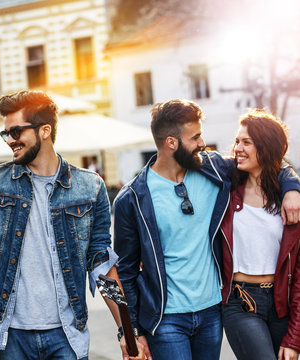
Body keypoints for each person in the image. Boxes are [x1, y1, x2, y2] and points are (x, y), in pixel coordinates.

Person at [113, 99, 300, 360]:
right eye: (195, 137)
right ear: (171, 143)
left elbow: (266, 161)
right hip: (166, 319)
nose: (203, 143)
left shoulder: (213, 169)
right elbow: (126, 271)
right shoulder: (132, 198)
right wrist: (131, 330)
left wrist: (292, 186)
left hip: (211, 312)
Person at [0, 90, 141, 360]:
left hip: (66, 334)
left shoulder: (89, 186)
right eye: (6, 134)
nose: (10, 141)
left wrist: (127, 332)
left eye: (15, 132)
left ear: (45, 130)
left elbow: (101, 261)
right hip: (8, 334)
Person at [219, 110, 300, 360]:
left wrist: (295, 337)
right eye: (237, 141)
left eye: (247, 142)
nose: (237, 148)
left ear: (265, 147)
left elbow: (298, 273)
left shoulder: (290, 202)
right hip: (240, 301)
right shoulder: (226, 189)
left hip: (281, 303)